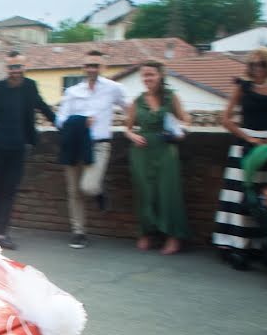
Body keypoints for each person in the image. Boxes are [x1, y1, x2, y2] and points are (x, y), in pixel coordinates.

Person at [0, 51, 56, 249]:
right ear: (6, 68)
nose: (15, 71)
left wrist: (60, 124)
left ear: (24, 67)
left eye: (18, 67)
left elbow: (41, 106)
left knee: (11, 189)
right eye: (11, 67)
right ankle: (0, 232)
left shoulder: (30, 86)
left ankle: (2, 231)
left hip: (19, 146)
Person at [213, 47, 267, 269]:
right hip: (245, 143)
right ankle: (237, 244)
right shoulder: (243, 86)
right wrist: (248, 139)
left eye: (261, 64)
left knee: (266, 197)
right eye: (253, 65)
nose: (257, 69)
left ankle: (261, 245)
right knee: (242, 196)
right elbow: (226, 119)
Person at [55, 50, 128, 249]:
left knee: (88, 186)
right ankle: (78, 232)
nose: (91, 69)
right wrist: (79, 121)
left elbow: (130, 109)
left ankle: (99, 192)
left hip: (99, 143)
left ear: (103, 67)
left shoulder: (114, 88)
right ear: (83, 67)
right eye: (88, 65)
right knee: (73, 191)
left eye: (95, 65)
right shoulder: (72, 92)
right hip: (75, 143)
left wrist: (133, 128)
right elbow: (60, 120)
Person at [125, 60, 191, 255]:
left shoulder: (171, 97)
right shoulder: (138, 101)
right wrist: (133, 135)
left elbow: (186, 120)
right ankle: (146, 233)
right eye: (144, 75)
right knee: (145, 193)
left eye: (151, 74)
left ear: (160, 75)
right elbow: (127, 128)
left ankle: (173, 236)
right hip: (142, 152)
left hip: (166, 149)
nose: (147, 78)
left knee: (168, 193)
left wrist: (180, 131)